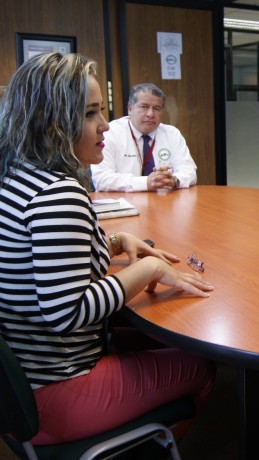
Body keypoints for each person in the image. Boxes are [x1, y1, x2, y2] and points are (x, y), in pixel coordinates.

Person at [0, 53, 215, 446]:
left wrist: (116, 241)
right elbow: (67, 311)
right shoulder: (57, 194)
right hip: (58, 390)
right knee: (202, 364)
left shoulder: (18, 178)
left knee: (160, 337)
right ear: (51, 124)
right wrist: (146, 271)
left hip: (23, 384)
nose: (103, 126)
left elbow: (51, 259)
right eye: (89, 114)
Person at [91, 82, 197, 192]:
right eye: (144, 107)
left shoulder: (171, 134)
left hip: (165, 202)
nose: (150, 114)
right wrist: (146, 182)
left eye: (156, 108)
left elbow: (189, 170)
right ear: (130, 108)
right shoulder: (111, 133)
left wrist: (175, 181)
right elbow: (101, 179)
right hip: (125, 204)